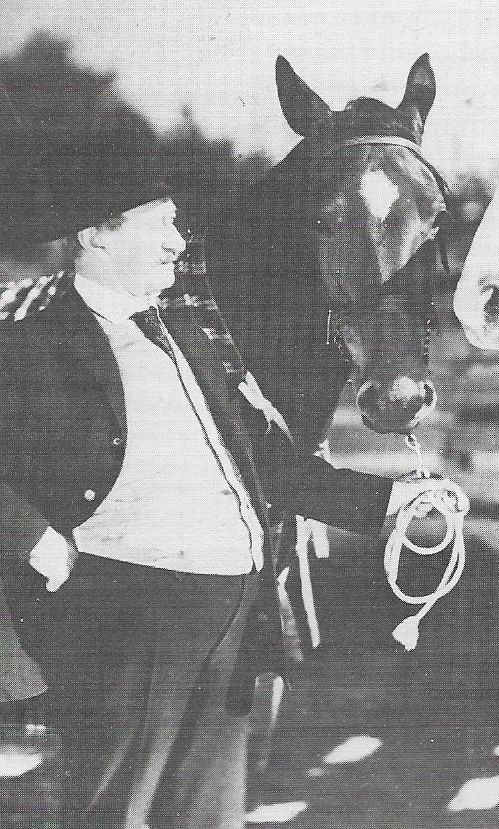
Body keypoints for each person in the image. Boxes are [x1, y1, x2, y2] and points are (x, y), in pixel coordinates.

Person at [0, 129, 445, 829]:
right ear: (97, 237)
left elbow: (265, 460)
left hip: (230, 616)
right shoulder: (28, 342)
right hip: (129, 614)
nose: (182, 241)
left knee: (210, 815)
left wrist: (389, 499)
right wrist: (26, 533)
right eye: (163, 225)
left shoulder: (189, 336)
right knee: (113, 811)